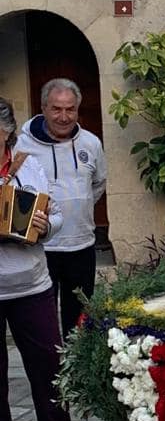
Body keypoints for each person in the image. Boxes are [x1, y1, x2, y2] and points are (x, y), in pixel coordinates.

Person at [0, 98, 101, 421]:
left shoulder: (30, 167)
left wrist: (45, 226)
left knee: (49, 366)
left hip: (31, 283)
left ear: (9, 135)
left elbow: (56, 215)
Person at [19, 78, 107, 339]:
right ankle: (49, 375)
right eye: (57, 109)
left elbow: (98, 184)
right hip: (40, 248)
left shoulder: (91, 143)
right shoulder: (22, 147)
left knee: (79, 321)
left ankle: (76, 374)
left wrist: (76, 205)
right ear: (44, 108)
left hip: (81, 245)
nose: (64, 116)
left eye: (70, 109)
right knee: (41, 322)